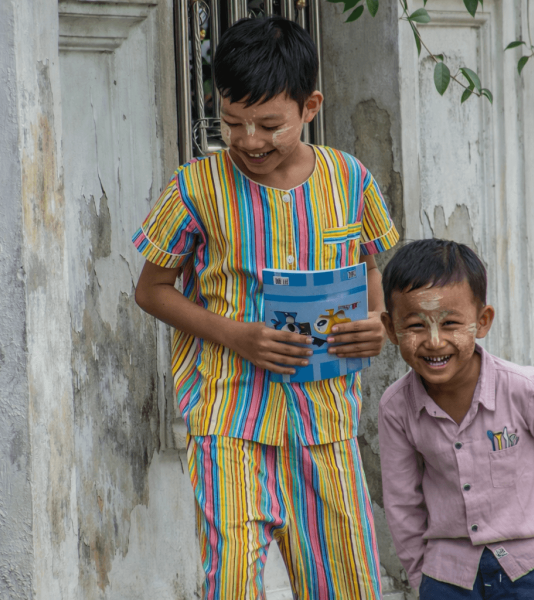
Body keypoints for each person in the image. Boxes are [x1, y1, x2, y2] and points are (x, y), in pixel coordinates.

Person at [132, 16, 398, 600]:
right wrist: (234, 335)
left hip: (327, 426)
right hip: (230, 423)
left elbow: (375, 266)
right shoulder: (195, 187)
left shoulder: (349, 179)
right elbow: (150, 290)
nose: (249, 140)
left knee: (346, 586)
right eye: (232, 123)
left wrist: (378, 322)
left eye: (269, 124)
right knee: (229, 585)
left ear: (310, 107)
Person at [377, 239, 534, 600]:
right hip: (448, 570)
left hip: (533, 562)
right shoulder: (396, 407)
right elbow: (402, 501)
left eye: (450, 323)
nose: (434, 341)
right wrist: (422, 576)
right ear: (390, 328)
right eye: (416, 326)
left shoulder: (523, 388)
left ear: (482, 322)